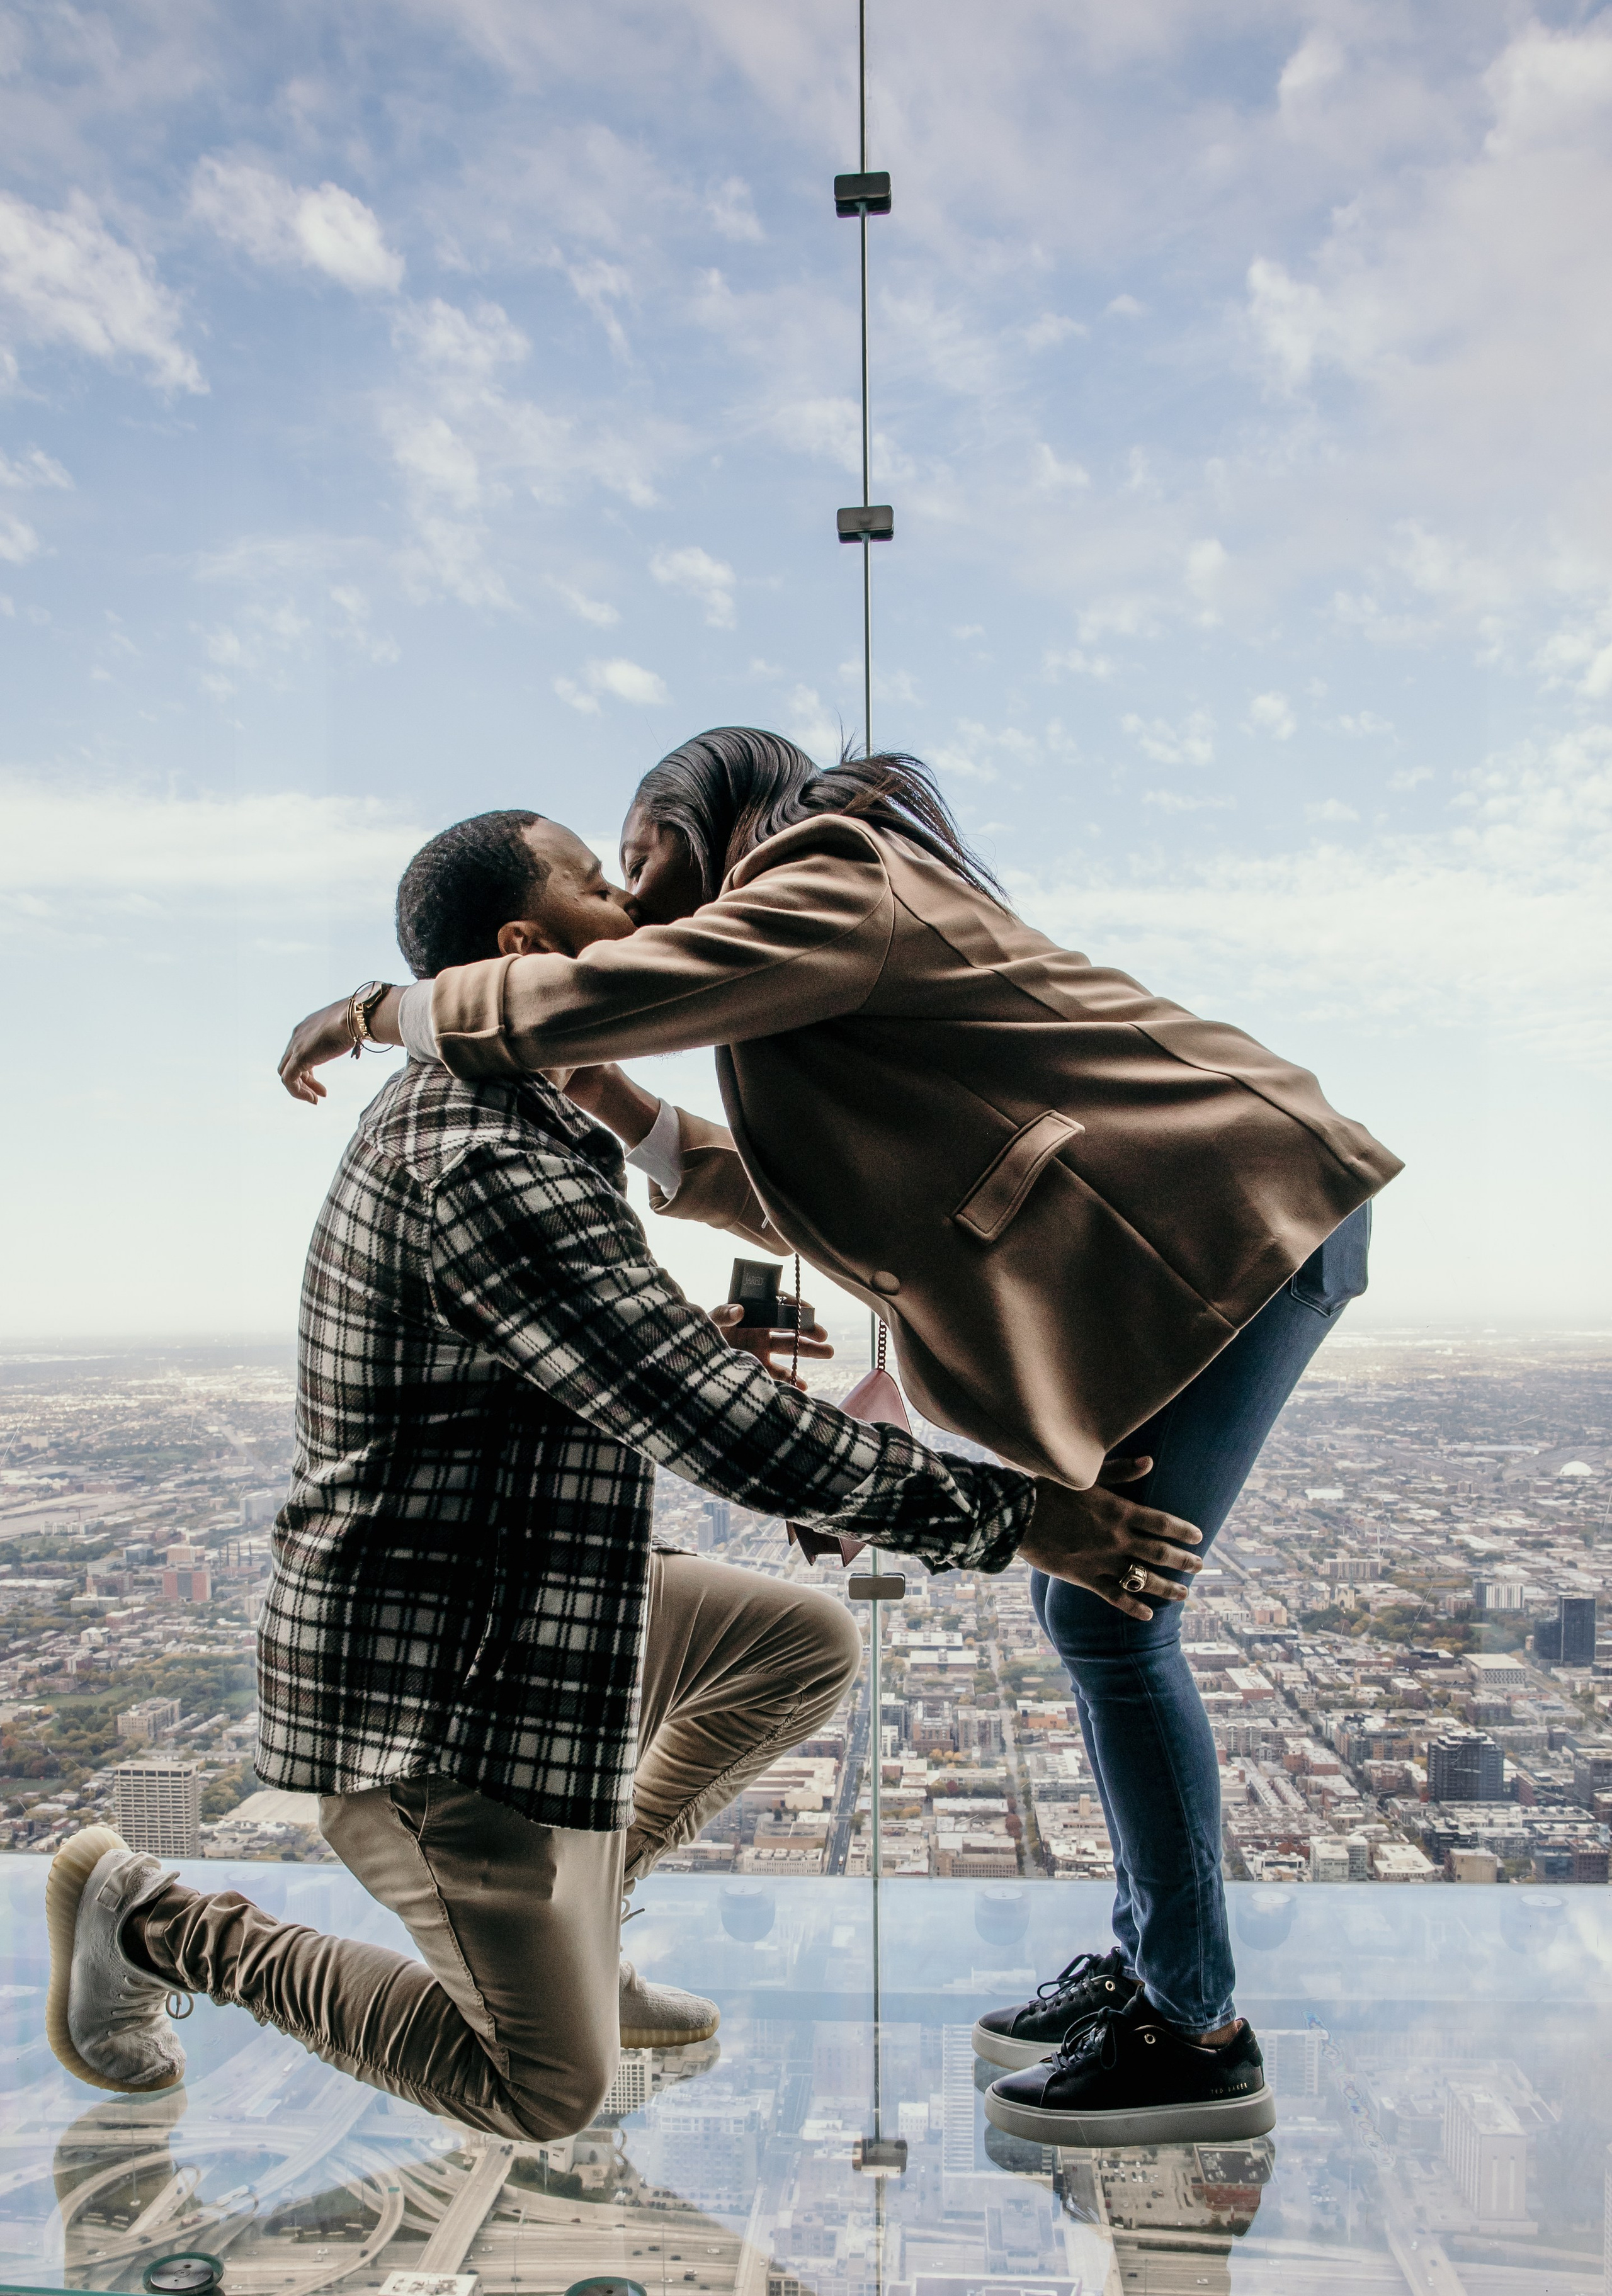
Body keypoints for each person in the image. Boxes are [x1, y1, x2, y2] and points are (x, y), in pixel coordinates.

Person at [278, 738, 1401, 2143]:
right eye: (607, 879)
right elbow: (807, 1203)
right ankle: (1156, 1973)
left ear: (709, 819)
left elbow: (604, 992)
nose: (635, 898)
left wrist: (385, 1008)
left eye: (638, 858)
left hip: (1237, 1222)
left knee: (1110, 1618)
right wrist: (622, 1106)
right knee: (1088, 1613)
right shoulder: (729, 1017)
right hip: (1191, 1245)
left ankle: (1191, 2027)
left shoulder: (831, 879)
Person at [48, 807, 1205, 2144]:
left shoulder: (520, 1114)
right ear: (528, 946)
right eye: (607, 890)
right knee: (546, 2090)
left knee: (798, 1646)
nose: (648, 920)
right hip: (427, 1693)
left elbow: (563, 1367)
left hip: (516, 1601)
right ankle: (156, 1922)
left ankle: (576, 1939)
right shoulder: (482, 1155)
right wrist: (1021, 1521)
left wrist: (691, 1349)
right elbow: (727, 1434)